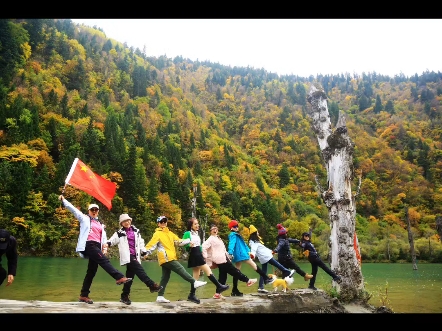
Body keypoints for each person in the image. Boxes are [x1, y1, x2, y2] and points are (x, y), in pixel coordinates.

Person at [59, 195, 132, 304]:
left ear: (98, 212)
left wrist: (105, 249)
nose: (94, 211)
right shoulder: (84, 218)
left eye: (96, 210)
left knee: (91, 271)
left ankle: (84, 295)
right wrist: (64, 200)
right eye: (92, 210)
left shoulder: (100, 224)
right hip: (89, 244)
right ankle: (119, 277)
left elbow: (104, 238)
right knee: (104, 261)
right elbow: (73, 210)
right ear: (88, 211)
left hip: (97, 246)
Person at [144, 215, 207, 304]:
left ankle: (160, 296)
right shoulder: (157, 234)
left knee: (165, 277)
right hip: (166, 258)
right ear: (158, 223)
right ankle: (194, 282)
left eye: (165, 221)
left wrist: (188, 241)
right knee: (180, 269)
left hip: (170, 257)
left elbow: (178, 241)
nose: (163, 223)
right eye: (161, 222)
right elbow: (151, 244)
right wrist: (145, 252)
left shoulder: (170, 233)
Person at [106, 213, 163, 305]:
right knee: (140, 270)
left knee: (130, 277)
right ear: (121, 223)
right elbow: (112, 240)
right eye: (124, 221)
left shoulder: (136, 231)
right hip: (127, 256)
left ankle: (124, 296)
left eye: (128, 220)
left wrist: (143, 251)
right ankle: (151, 285)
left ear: (130, 221)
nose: (126, 222)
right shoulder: (119, 233)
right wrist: (107, 244)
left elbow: (140, 242)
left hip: (135, 256)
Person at [202, 224, 257, 299]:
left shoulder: (217, 238)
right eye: (213, 229)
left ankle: (217, 294)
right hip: (220, 259)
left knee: (223, 276)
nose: (215, 230)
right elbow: (203, 247)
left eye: (216, 229)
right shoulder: (210, 239)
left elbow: (223, 250)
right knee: (233, 271)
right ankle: (247, 280)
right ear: (210, 231)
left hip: (223, 258)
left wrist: (228, 256)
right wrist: (206, 257)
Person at [227, 220, 275, 297]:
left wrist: (249, 251)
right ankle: (266, 278)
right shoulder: (233, 235)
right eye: (235, 226)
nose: (236, 227)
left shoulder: (236, 234)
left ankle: (234, 290)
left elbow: (244, 245)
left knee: (237, 271)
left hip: (240, 254)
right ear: (231, 228)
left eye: (237, 226)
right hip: (241, 254)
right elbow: (231, 244)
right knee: (254, 265)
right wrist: (230, 252)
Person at [182, 217, 229, 295]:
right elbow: (183, 244)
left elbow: (199, 245)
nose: (197, 225)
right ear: (191, 225)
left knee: (195, 277)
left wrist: (203, 254)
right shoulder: (188, 233)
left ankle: (191, 295)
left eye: (197, 223)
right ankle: (219, 286)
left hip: (197, 253)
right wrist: (188, 245)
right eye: (195, 224)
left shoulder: (196, 234)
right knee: (207, 270)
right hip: (194, 254)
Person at [248, 224, 294, 293]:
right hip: (266, 257)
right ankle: (287, 271)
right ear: (255, 233)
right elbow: (253, 250)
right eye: (257, 232)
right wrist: (252, 254)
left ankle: (261, 287)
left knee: (263, 273)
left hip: (264, 257)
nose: (258, 233)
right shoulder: (254, 242)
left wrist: (271, 252)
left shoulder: (255, 241)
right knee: (277, 264)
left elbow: (263, 249)